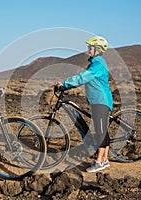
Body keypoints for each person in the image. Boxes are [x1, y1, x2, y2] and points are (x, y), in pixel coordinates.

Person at [56, 36, 113, 172]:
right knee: (102, 130)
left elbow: (82, 77)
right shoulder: (96, 63)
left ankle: (98, 162)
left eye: (90, 48)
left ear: (97, 50)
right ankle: (104, 159)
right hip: (99, 101)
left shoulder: (98, 65)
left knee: (100, 131)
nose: (88, 50)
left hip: (101, 101)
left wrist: (64, 84)